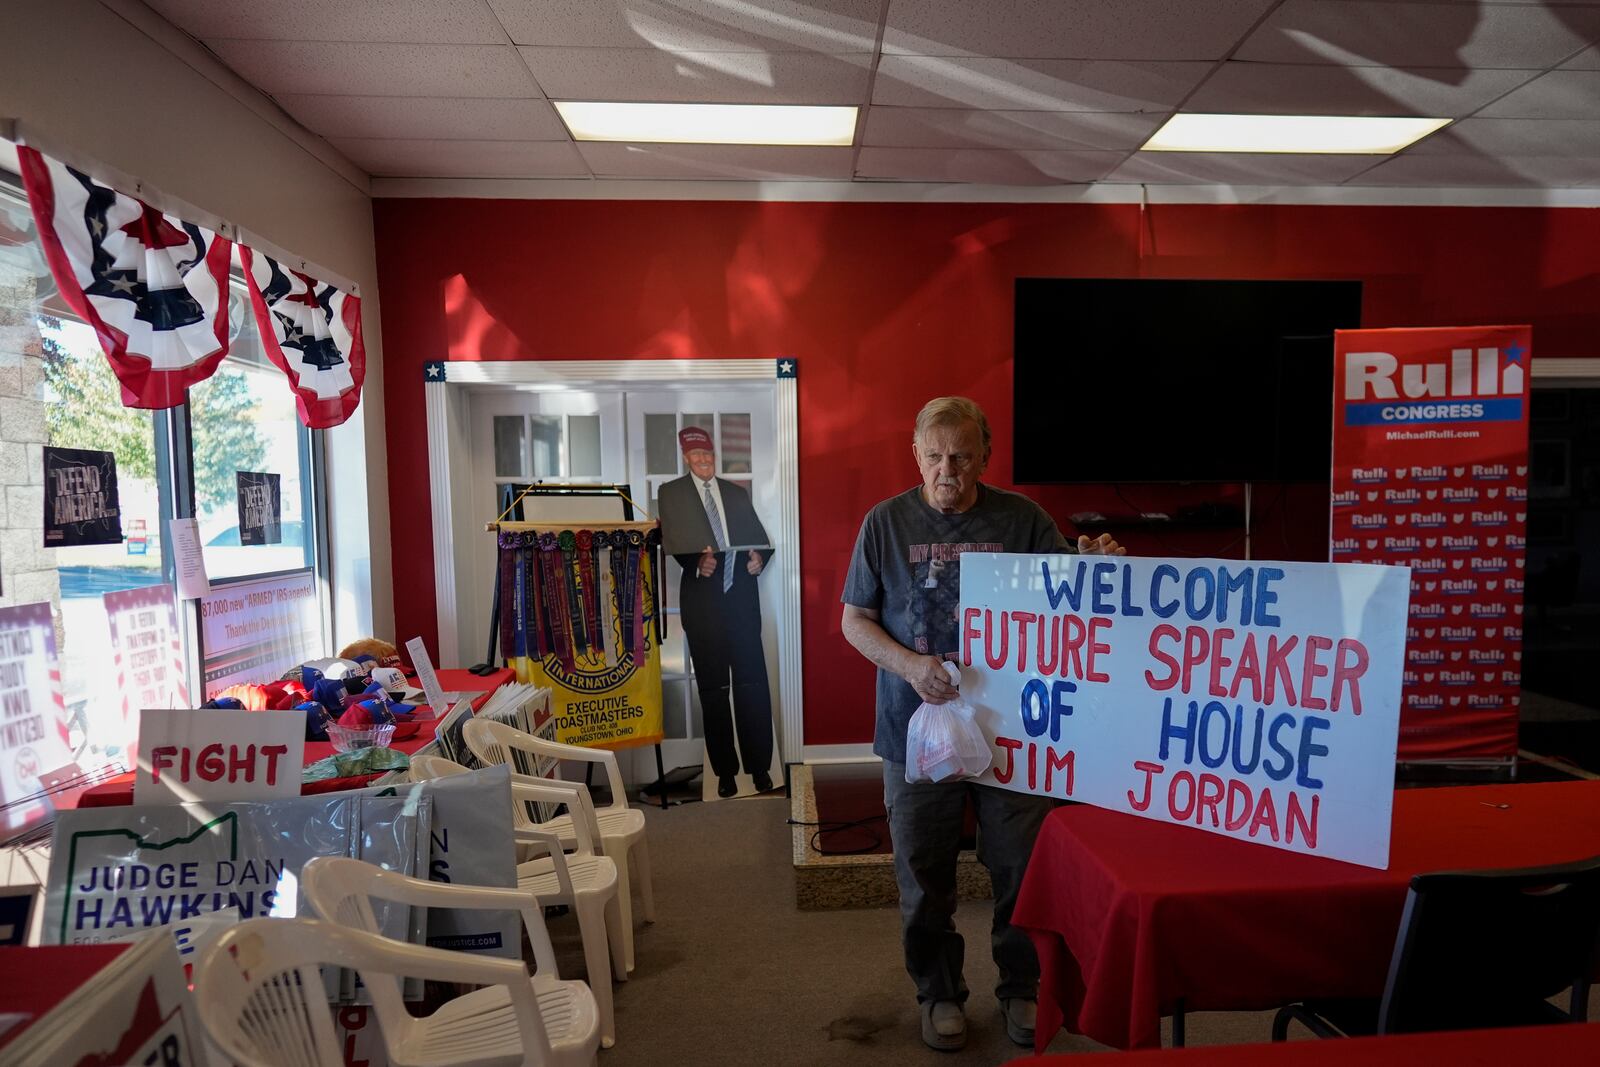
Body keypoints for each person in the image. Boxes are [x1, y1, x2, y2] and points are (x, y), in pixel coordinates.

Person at [840, 396, 1124, 1051]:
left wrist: (1097, 568)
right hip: (914, 727)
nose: (949, 469)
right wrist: (911, 665)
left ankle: (1021, 987)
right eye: (935, 455)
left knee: (1022, 868)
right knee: (923, 871)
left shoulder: (1022, 518)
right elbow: (855, 620)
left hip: (1013, 732)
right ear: (915, 455)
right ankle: (938, 991)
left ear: (984, 456)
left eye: (963, 455)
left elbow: (1071, 600)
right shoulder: (883, 524)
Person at [658, 426, 776, 799]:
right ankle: (725, 772)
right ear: (686, 458)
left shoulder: (735, 493)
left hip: (741, 602)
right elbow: (674, 541)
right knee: (713, 691)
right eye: (697, 456)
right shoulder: (672, 494)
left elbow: (760, 539)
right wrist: (695, 563)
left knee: (753, 687)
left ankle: (760, 769)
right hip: (703, 606)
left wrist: (761, 558)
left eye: (708, 455)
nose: (704, 461)